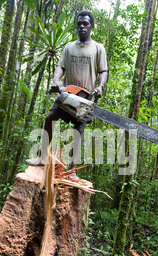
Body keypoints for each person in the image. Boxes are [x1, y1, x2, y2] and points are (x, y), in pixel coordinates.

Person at [26, 10, 108, 177]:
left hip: (86, 98)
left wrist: (100, 87)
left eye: (85, 23)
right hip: (68, 95)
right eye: (79, 24)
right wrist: (56, 81)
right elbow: (60, 67)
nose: (82, 26)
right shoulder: (69, 47)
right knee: (50, 118)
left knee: (79, 129)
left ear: (91, 26)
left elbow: (103, 71)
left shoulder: (98, 48)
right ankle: (42, 157)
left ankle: (71, 170)